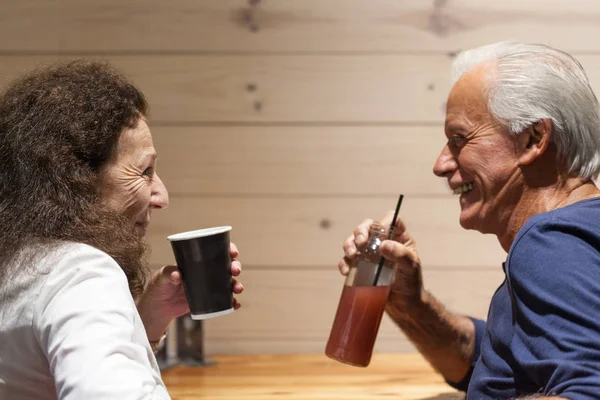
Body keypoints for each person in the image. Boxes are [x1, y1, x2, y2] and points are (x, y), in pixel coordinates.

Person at [340, 42, 600, 399]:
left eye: (459, 139)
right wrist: (410, 305)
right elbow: (506, 365)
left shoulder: (550, 243)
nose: (440, 164)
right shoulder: (580, 230)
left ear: (533, 139)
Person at [0, 60, 243, 399]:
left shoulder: (18, 260)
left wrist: (148, 317)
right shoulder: (79, 273)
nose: (161, 196)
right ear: (76, 181)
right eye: (144, 172)